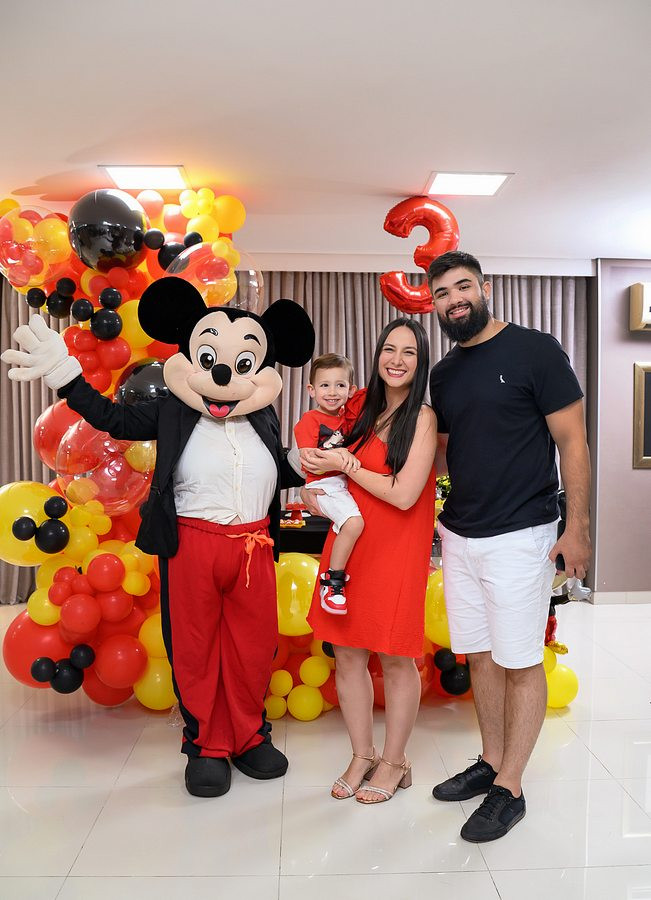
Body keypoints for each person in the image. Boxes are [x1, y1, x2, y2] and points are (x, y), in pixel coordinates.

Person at [1, 276, 315, 799]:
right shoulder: (174, 409)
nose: (224, 375)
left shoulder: (261, 410)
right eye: (211, 359)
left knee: (253, 646)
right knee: (194, 647)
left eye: (242, 363)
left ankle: (248, 735)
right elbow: (112, 418)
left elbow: (262, 471)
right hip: (192, 543)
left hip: (253, 547)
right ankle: (206, 745)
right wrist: (66, 375)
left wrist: (298, 463)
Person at [427, 251, 591, 842]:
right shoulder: (444, 373)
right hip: (460, 534)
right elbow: (444, 454)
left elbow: (573, 442)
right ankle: (492, 760)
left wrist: (578, 528)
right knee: (479, 656)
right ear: (434, 304)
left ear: (485, 288)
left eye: (463, 287)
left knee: (520, 660)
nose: (454, 300)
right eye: (442, 293)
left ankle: (511, 788)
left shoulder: (535, 350)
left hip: (522, 534)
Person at [300, 319, 437, 803]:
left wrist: (345, 465)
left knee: (397, 657)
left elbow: (403, 495)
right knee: (347, 653)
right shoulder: (358, 405)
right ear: (377, 355)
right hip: (350, 543)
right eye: (389, 349)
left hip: (396, 547)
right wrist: (313, 486)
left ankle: (396, 761)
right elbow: (315, 452)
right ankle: (363, 754)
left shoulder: (422, 418)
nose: (396, 360)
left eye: (409, 352)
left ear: (421, 362)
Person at [294, 353, 363, 615]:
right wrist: (341, 456)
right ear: (311, 390)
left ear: (351, 390)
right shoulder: (309, 420)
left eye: (340, 385)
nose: (332, 392)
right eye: (324, 385)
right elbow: (309, 459)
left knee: (352, 525)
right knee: (354, 523)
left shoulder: (349, 418)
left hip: (343, 483)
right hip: (324, 484)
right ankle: (333, 582)